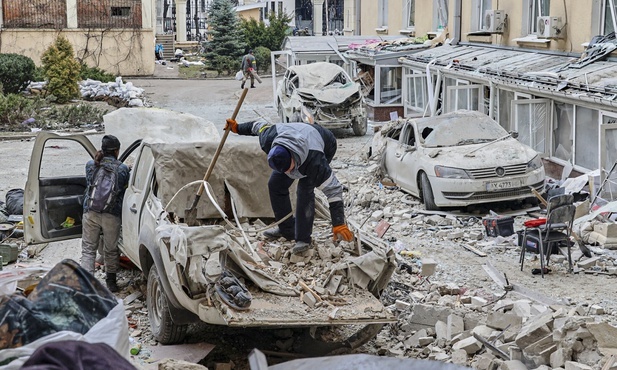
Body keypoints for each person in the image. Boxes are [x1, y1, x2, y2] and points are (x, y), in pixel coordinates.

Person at [224, 117, 354, 254]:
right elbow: (257, 125)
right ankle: (287, 229)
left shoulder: (315, 162)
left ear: (293, 158)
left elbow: (333, 189)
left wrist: (338, 223)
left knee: (305, 189)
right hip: (296, 137)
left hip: (324, 143)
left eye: (288, 169)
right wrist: (237, 128)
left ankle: (303, 238)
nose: (287, 173)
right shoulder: (268, 138)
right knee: (275, 184)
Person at [81, 135, 130, 292]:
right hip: (111, 215)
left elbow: (89, 184)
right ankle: (111, 282)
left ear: (102, 149)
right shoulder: (122, 169)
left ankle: (87, 284)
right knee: (111, 249)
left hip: (90, 212)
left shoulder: (91, 165)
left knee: (88, 249)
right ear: (116, 151)